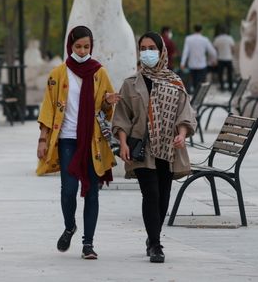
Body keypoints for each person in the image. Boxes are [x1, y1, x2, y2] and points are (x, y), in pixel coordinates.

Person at [36, 25, 120, 260]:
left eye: (86, 47)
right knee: (68, 190)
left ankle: (88, 244)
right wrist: (43, 140)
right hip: (67, 140)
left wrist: (108, 101)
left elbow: (106, 110)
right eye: (78, 46)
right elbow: (48, 108)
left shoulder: (99, 73)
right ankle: (70, 226)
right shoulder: (58, 74)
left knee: (92, 192)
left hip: (92, 141)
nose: (82, 51)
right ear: (69, 46)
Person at [113, 31, 197, 264]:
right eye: (143, 48)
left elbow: (185, 113)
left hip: (168, 149)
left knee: (163, 196)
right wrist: (122, 143)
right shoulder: (130, 84)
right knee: (150, 194)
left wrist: (181, 134)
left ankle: (153, 238)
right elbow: (122, 117)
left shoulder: (175, 81)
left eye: (152, 48)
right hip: (142, 148)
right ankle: (156, 244)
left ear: (162, 51)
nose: (147, 52)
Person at [180, 24, 217, 93]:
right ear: (201, 30)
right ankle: (199, 97)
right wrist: (213, 60)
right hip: (202, 65)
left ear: (194, 30)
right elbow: (213, 52)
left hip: (192, 65)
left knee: (194, 83)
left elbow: (185, 52)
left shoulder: (188, 39)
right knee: (201, 84)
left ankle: (195, 97)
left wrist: (182, 63)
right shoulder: (205, 40)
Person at [212, 26, 236, 92]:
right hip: (228, 58)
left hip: (220, 58)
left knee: (220, 74)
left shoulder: (217, 39)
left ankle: (222, 87)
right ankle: (230, 87)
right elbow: (233, 48)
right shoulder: (230, 38)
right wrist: (232, 54)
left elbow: (214, 48)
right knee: (229, 74)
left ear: (220, 32)